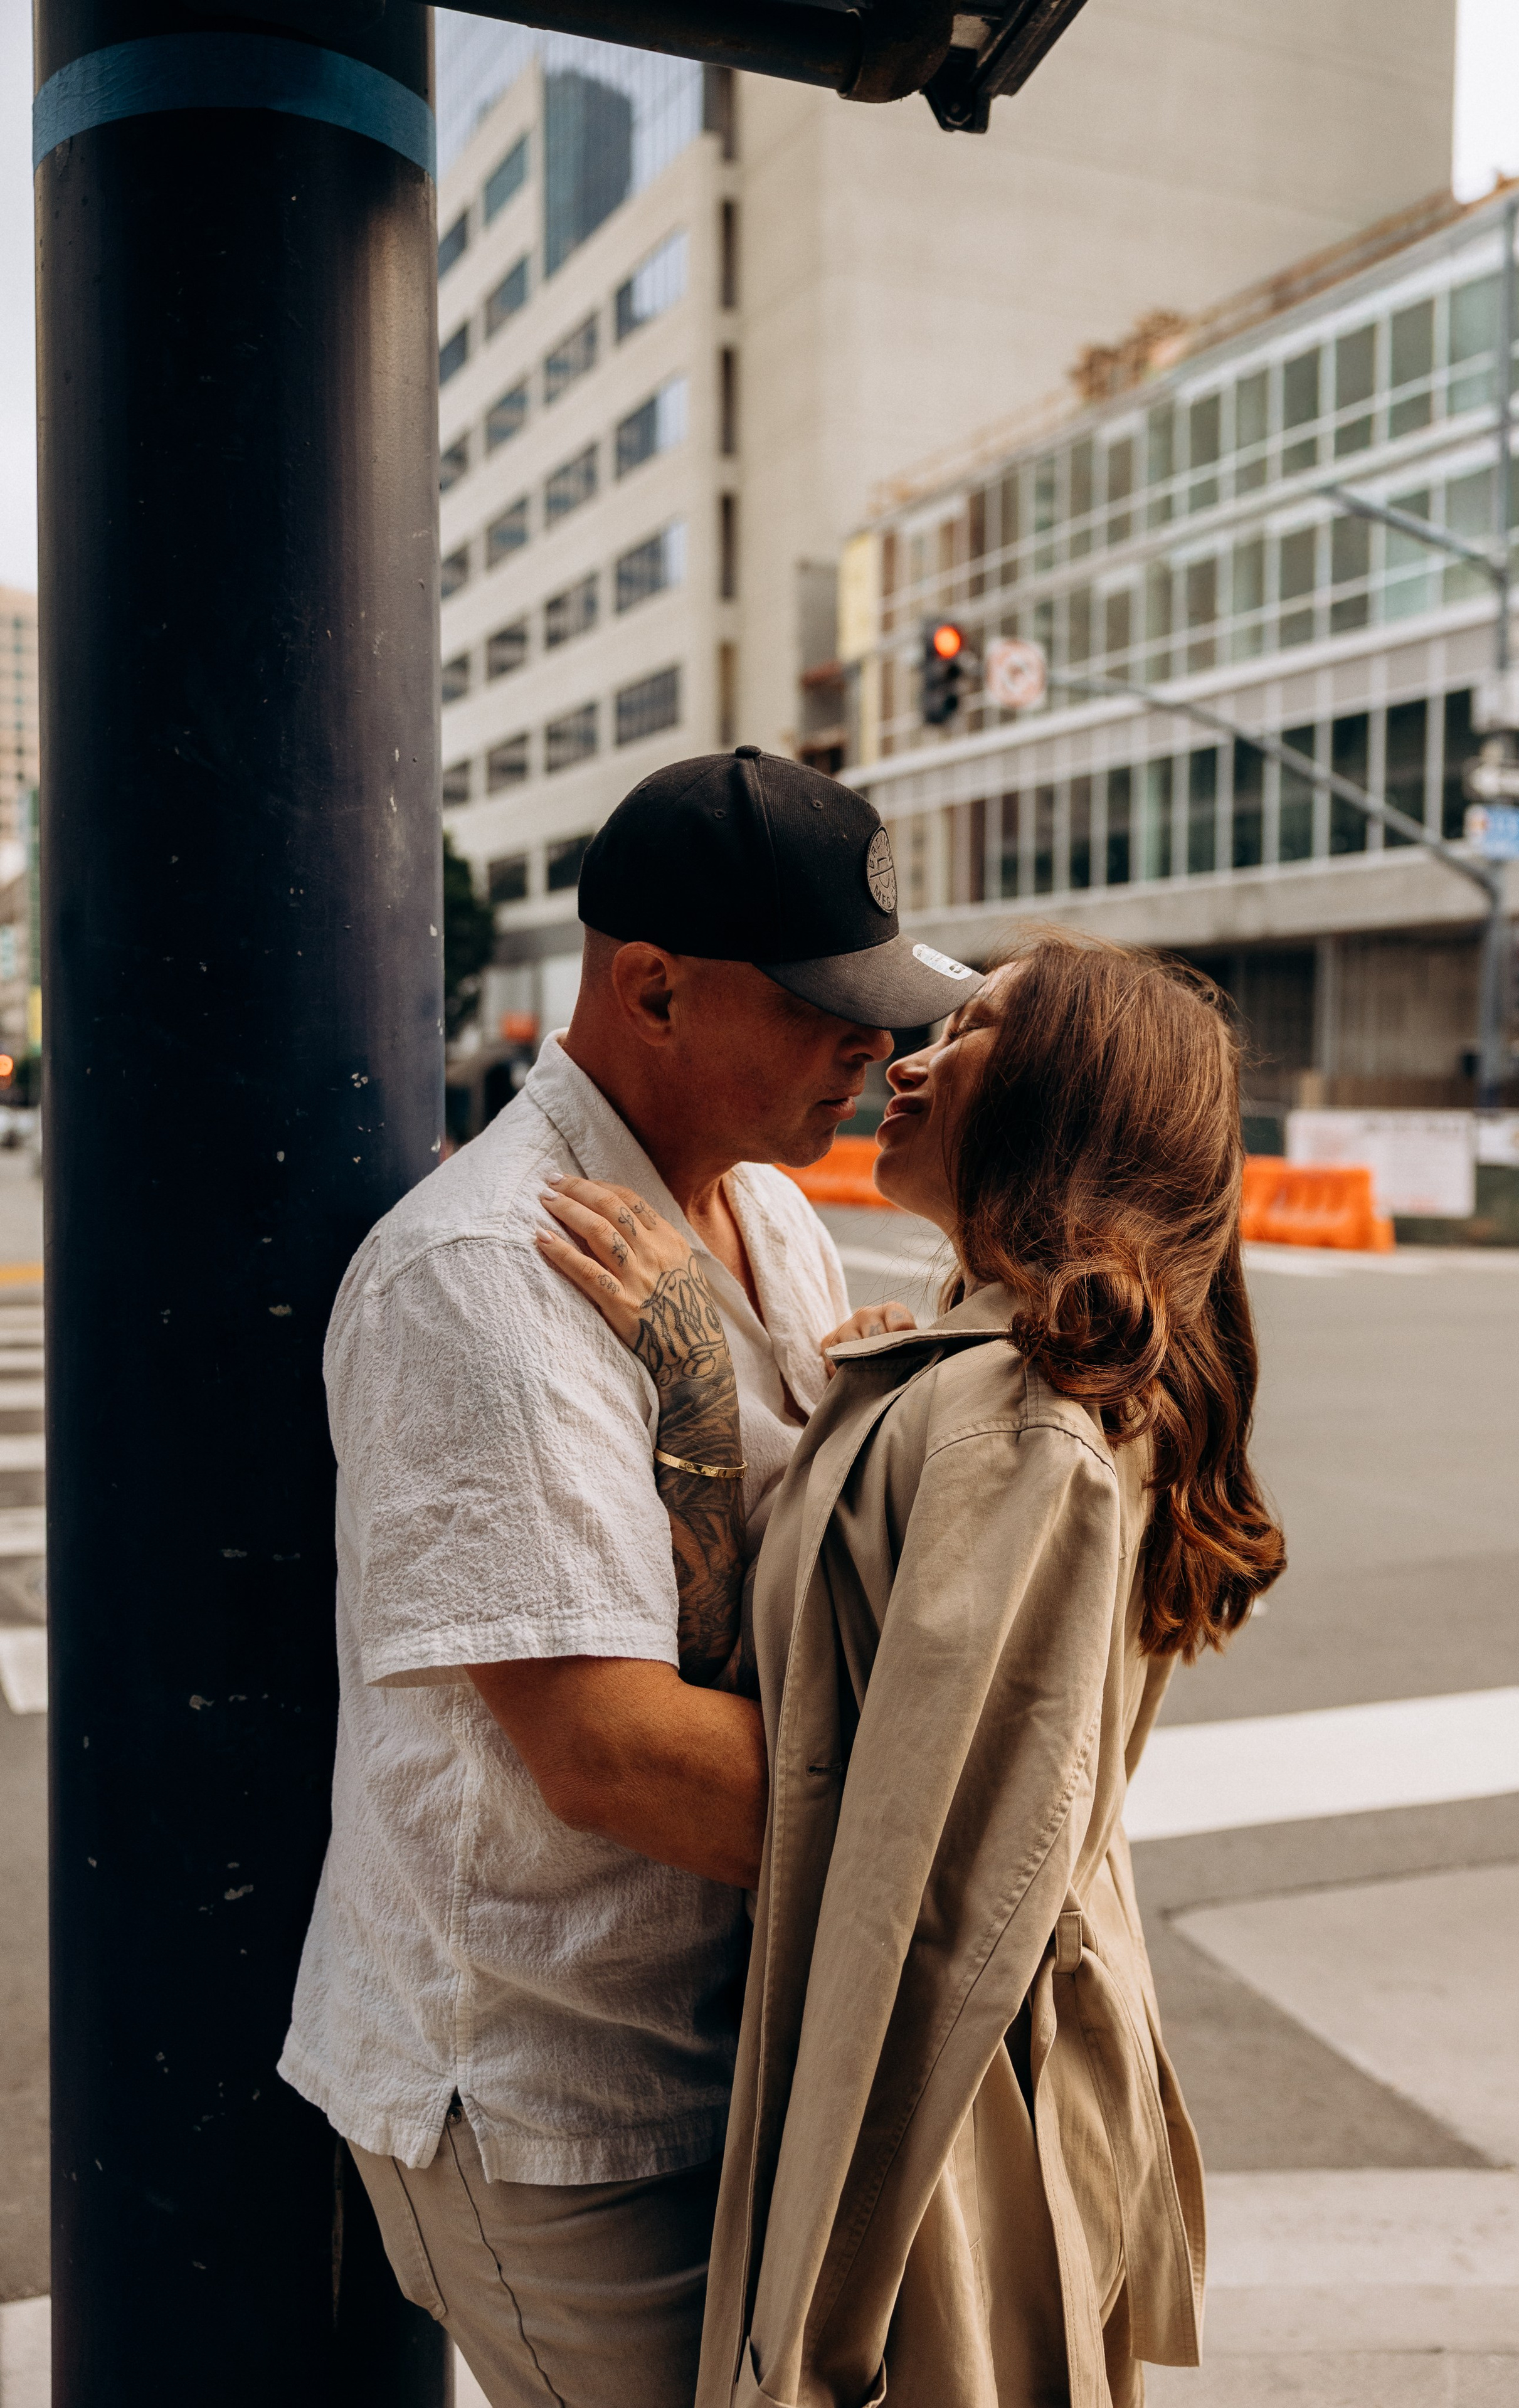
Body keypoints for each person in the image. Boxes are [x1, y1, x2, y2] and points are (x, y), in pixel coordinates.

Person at [277, 746, 985, 2408]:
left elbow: (813, 1580)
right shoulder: (486, 1277)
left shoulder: (768, 1216)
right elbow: (609, 1748)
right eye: (827, 1003)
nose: (876, 1048)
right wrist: (972, 1823)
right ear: (652, 990)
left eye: (887, 1001)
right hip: (550, 2097)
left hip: (716, 2047)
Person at [540, 931, 1288, 2408]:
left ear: (1067, 1099)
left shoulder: (1015, 1427)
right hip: (969, 2091)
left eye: (978, 1034)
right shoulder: (990, 1375)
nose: (910, 1056)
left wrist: (820, 2320)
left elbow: (924, 1915)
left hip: (944, 2129)